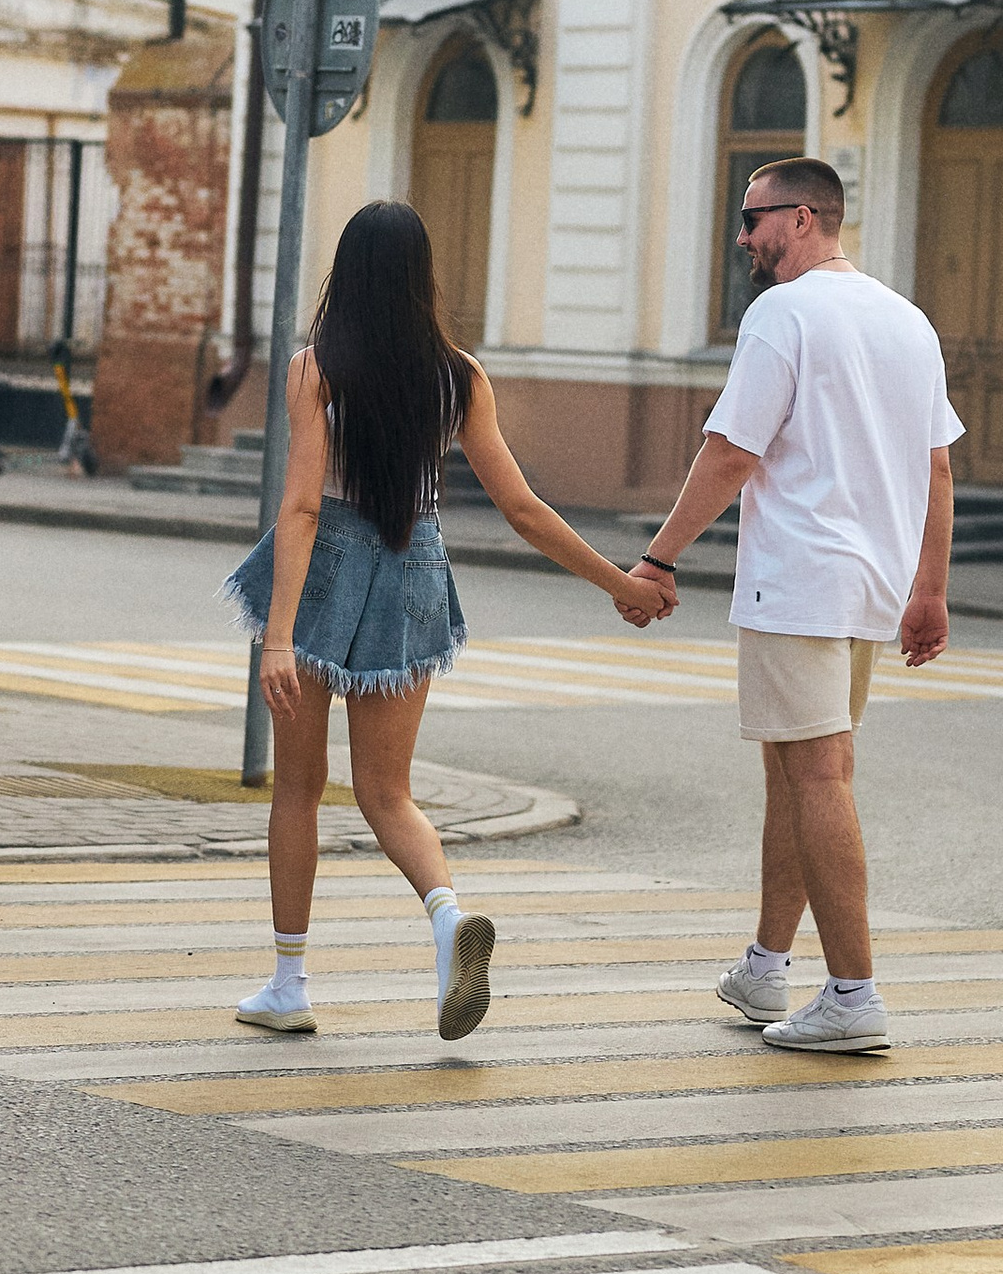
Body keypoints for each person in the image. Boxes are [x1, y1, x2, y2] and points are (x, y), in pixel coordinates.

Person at [227, 200, 673, 1043]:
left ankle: (289, 984)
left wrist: (279, 635)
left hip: (327, 571)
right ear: (420, 277)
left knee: (298, 788)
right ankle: (447, 920)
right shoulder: (459, 376)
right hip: (415, 570)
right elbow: (523, 508)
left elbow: (302, 508)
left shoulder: (316, 369)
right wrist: (622, 582)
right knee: (388, 792)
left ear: (347, 274)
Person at [635, 155, 957, 1055]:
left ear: (805, 217)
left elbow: (732, 452)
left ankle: (853, 992)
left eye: (754, 219)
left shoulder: (782, 313)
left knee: (818, 776)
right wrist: (929, 589)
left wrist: (658, 558)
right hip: (869, 587)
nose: (742, 236)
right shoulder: (907, 319)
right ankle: (766, 965)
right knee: (795, 770)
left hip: (798, 581)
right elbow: (936, 467)